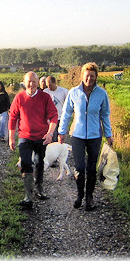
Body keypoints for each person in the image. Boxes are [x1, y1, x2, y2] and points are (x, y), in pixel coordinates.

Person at [58, 62, 113, 211]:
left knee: (91, 169)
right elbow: (67, 113)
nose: (89, 79)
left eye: (92, 76)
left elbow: (105, 115)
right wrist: (61, 132)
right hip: (77, 135)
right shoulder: (74, 92)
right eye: (87, 76)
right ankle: (79, 195)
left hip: (95, 136)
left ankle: (89, 197)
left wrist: (109, 135)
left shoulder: (102, 94)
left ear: (96, 77)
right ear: (82, 76)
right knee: (80, 168)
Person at [8, 71, 58, 209]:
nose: (31, 84)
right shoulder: (19, 98)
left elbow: (54, 116)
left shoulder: (45, 97)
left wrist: (50, 133)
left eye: (34, 81)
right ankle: (28, 196)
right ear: (24, 82)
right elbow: (12, 118)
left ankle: (39, 188)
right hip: (25, 136)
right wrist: (11, 138)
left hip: (41, 137)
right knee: (25, 162)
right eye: (29, 81)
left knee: (39, 162)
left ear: (37, 83)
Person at [43, 75, 69, 142]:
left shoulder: (64, 91)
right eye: (47, 85)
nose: (49, 87)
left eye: (50, 85)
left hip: (61, 118)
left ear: (55, 83)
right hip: (50, 119)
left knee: (60, 139)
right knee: (52, 138)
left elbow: (68, 105)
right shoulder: (45, 92)